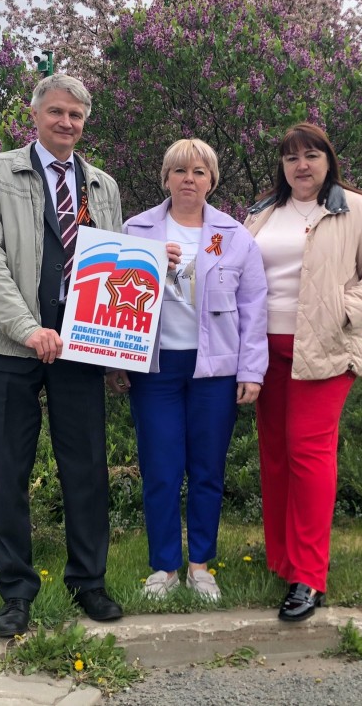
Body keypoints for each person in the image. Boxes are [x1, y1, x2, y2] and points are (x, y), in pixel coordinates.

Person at [0, 74, 125, 639]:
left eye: (76, 115)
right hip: (10, 344)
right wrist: (28, 328)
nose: (66, 122)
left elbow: (114, 266)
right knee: (9, 471)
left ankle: (89, 582)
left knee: (86, 469)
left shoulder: (102, 185)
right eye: (56, 111)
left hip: (80, 345)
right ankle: (15, 591)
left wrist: (114, 345)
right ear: (34, 115)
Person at [245, 122, 362, 622]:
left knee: (308, 452)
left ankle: (309, 575)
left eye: (311, 155)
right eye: (292, 157)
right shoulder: (262, 212)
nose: (302, 165)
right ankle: (281, 560)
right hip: (265, 353)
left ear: (328, 160)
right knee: (275, 455)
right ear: (282, 166)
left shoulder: (356, 209)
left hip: (326, 350)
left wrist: (344, 310)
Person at [108, 139, 268, 602]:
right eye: (179, 171)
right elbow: (114, 301)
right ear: (165, 178)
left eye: (199, 172)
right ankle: (164, 567)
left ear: (211, 181)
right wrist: (114, 363)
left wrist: (251, 371)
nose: (189, 180)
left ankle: (200, 565)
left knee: (206, 470)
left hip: (214, 371)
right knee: (160, 469)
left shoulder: (235, 236)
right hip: (155, 369)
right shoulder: (136, 230)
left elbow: (254, 308)